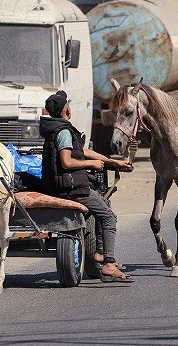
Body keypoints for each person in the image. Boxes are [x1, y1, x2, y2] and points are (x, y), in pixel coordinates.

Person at [39, 90, 134, 282]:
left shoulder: (58, 129)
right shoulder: (63, 132)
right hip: (70, 188)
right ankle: (108, 263)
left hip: (66, 185)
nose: (70, 107)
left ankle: (100, 253)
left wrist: (112, 162)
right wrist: (91, 164)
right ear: (66, 109)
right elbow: (67, 162)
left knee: (104, 206)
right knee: (108, 218)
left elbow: (83, 150)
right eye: (68, 104)